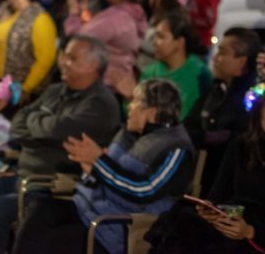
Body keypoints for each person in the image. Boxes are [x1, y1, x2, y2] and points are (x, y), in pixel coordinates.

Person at [0, 35, 121, 254]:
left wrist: (37, 124)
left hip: (51, 186)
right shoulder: (55, 90)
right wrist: (43, 129)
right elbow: (18, 125)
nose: (63, 61)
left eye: (71, 58)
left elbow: (58, 131)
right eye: (64, 55)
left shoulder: (101, 103)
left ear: (93, 66)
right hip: (20, 175)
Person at [12, 79, 195, 254]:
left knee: (51, 241)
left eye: (134, 102)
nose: (129, 107)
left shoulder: (175, 148)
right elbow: (106, 170)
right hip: (87, 208)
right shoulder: (128, 133)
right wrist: (90, 168)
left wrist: (98, 162)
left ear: (151, 112)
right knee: (40, 209)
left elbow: (143, 190)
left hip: (115, 228)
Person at [148, 79, 265, 253]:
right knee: (179, 222)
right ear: (257, 113)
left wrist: (251, 232)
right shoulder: (240, 147)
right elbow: (219, 195)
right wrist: (211, 211)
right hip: (231, 231)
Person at [185, 28, 262, 196]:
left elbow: (243, 140)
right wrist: (206, 137)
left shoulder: (253, 99)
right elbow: (188, 126)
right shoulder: (216, 91)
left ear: (241, 61)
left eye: (222, 53)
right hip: (201, 182)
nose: (215, 59)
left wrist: (213, 137)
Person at [64, 0, 147, 92]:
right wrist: (84, 11)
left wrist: (73, 13)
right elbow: (95, 29)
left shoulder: (116, 18)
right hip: (113, 87)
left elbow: (78, 40)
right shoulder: (132, 13)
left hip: (103, 88)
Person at [118, 12, 212, 120]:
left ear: (180, 42)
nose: (154, 43)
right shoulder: (149, 73)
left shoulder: (200, 74)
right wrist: (129, 98)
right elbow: (135, 118)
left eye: (160, 37)